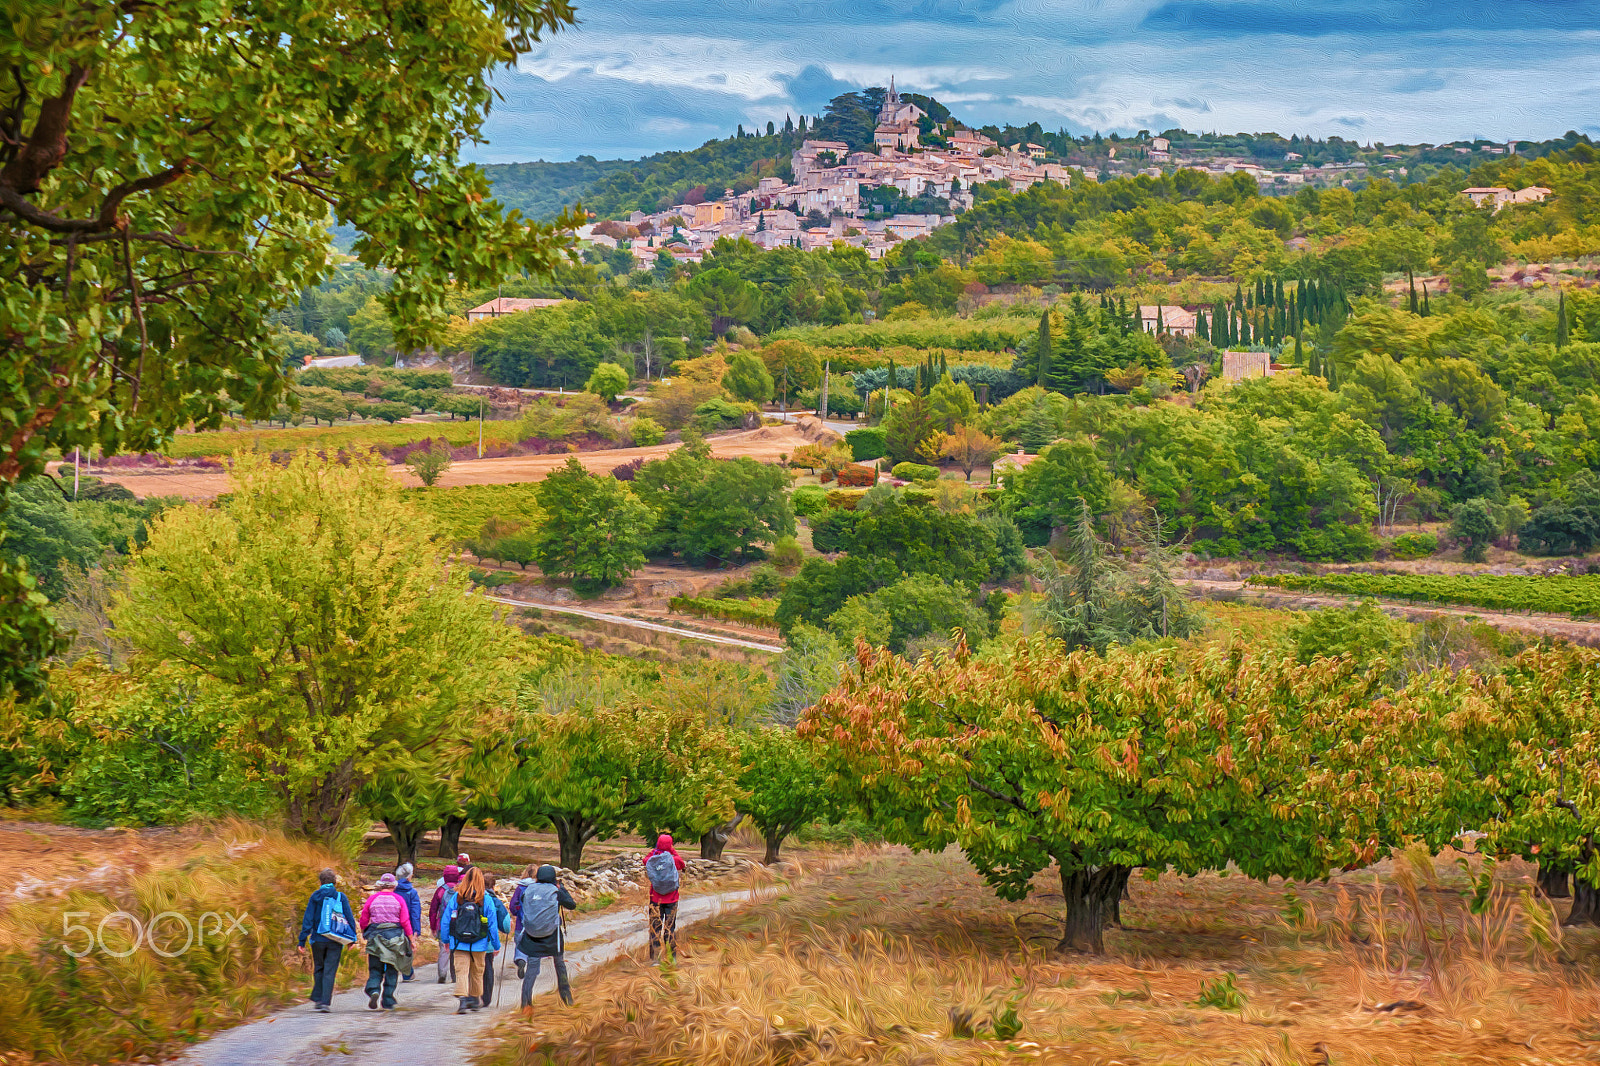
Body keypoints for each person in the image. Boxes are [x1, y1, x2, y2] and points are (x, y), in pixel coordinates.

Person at [439, 866, 500, 1014]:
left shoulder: (457, 897)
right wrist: (496, 944)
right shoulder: (485, 899)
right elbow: (492, 924)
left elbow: (446, 920)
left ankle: (462, 999)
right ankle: (474, 999)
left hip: (459, 942)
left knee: (461, 971)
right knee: (477, 972)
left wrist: (446, 939)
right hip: (479, 942)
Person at [297, 869, 357, 1013]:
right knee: (330, 970)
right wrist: (352, 938)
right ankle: (324, 1002)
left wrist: (302, 940)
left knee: (319, 968)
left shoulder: (315, 896)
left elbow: (308, 919)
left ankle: (317, 998)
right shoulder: (340, 896)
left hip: (317, 939)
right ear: (334, 882)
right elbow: (349, 917)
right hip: (335, 939)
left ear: (320, 881)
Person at [517, 863, 576, 1007]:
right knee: (559, 963)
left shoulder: (529, 889)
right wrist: (561, 888)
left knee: (532, 969)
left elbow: (523, 902)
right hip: (552, 934)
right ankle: (567, 998)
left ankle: (525, 1004)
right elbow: (571, 904)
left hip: (532, 934)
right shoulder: (555, 891)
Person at [359, 873, 415, 1010]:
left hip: (376, 936)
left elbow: (364, 918)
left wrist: (364, 931)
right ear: (394, 885)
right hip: (394, 937)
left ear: (380, 885)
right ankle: (388, 999)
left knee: (375, 968)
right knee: (393, 967)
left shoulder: (372, 899)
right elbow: (404, 921)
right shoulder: (399, 899)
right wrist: (411, 939)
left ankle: (373, 990)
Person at [644, 833, 686, 962]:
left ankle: (655, 959)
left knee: (655, 928)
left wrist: (656, 850)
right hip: (672, 899)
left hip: (655, 899)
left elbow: (645, 860)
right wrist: (672, 850)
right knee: (670, 928)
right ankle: (671, 958)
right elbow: (682, 864)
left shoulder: (652, 860)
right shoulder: (674, 861)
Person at [479, 873, 513, 1008]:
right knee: (487, 968)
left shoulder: (472, 897)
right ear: (493, 886)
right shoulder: (495, 901)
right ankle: (486, 998)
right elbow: (505, 925)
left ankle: (471, 995)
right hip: (486, 943)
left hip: (469, 940)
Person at [428, 865, 461, 983]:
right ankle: (455, 975)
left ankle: (442, 973)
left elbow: (433, 910)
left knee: (444, 949)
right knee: (456, 950)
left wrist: (433, 926)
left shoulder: (440, 890)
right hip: (458, 925)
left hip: (442, 924)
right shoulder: (460, 889)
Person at [393, 863, 423, 982]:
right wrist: (416, 930)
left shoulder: (392, 890)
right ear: (409, 877)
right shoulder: (412, 892)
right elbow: (415, 913)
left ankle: (391, 972)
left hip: (393, 924)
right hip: (407, 925)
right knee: (407, 949)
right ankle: (407, 973)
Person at [509, 863, 538, 979]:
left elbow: (512, 905)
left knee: (520, 944)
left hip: (521, 924)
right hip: (535, 924)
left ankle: (520, 959)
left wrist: (517, 912)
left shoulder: (520, 888)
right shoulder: (539, 887)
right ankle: (532, 967)